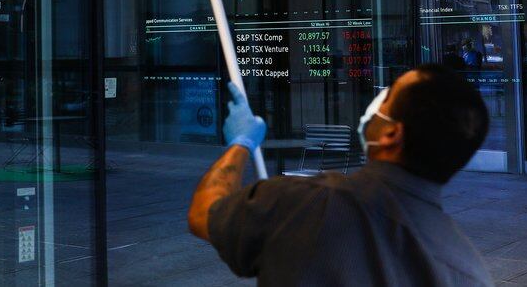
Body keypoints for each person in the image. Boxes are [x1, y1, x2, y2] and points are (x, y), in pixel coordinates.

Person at [188, 65, 493, 286]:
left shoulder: (305, 204)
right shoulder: (469, 272)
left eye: (387, 96)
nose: (377, 102)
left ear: (391, 134)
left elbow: (205, 213)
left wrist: (241, 143)